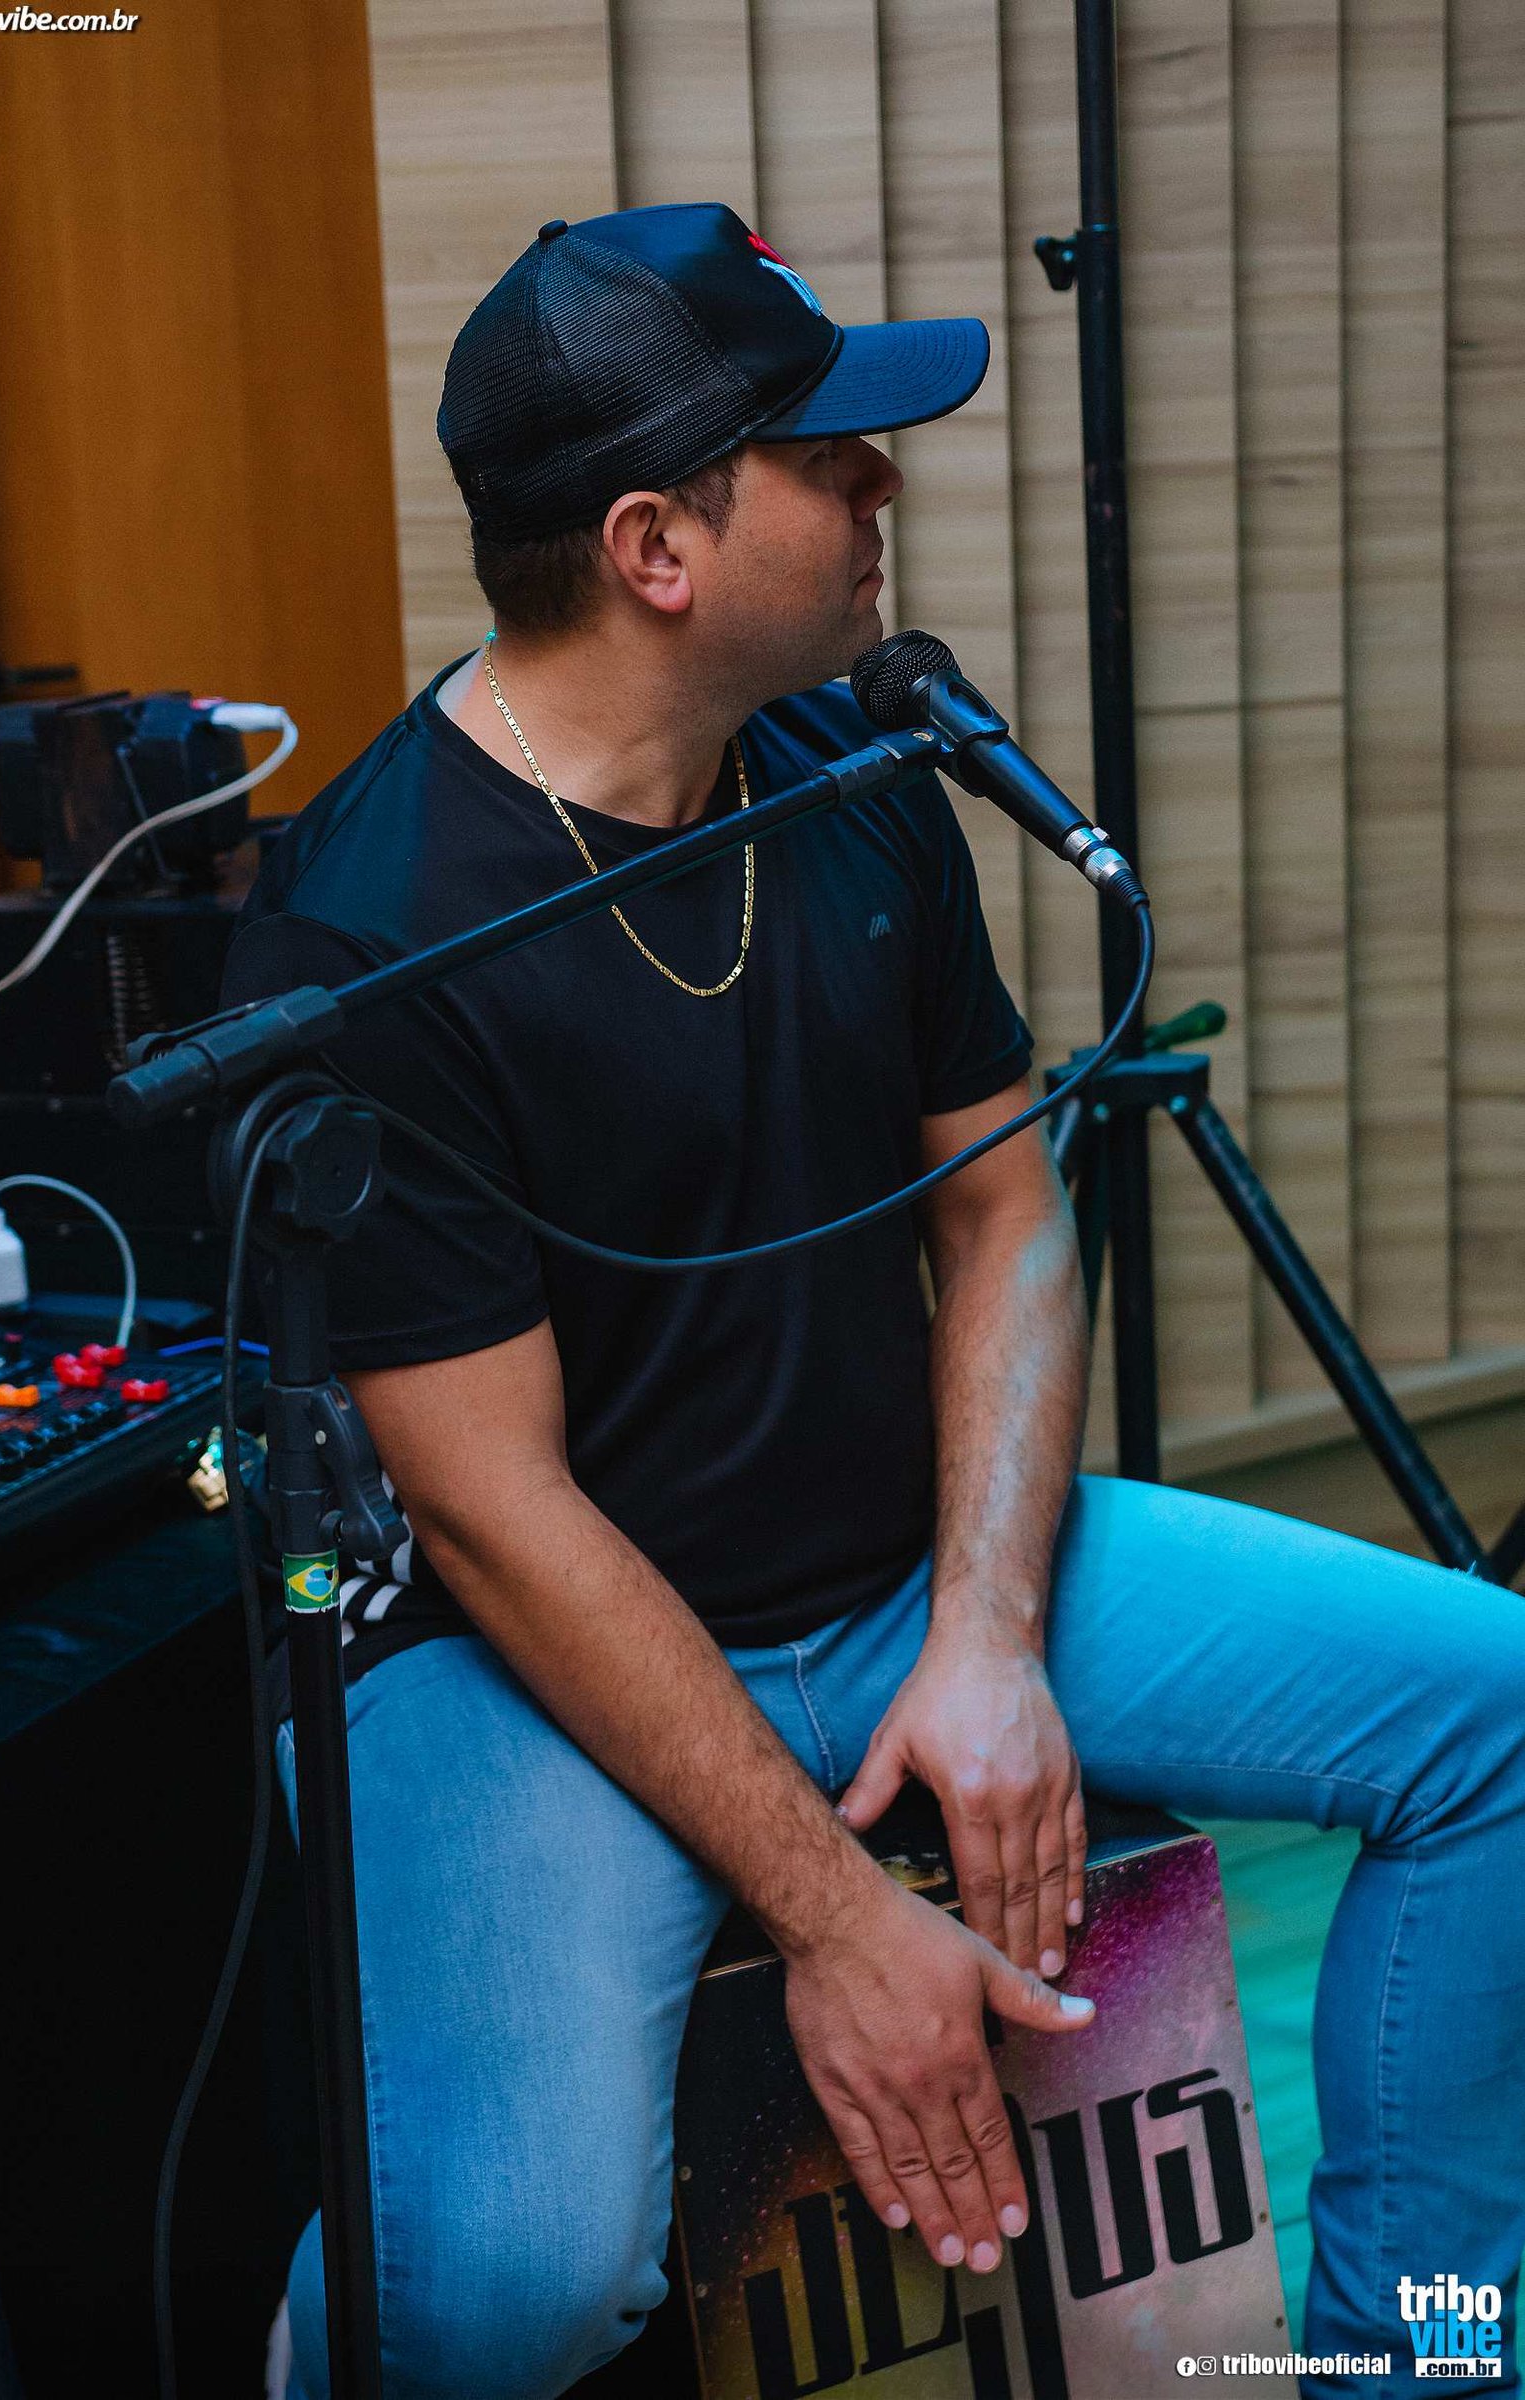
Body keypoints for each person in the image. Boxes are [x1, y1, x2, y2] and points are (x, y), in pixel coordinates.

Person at [225, 204, 1525, 2400]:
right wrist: (836, 1923)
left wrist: (988, 1638)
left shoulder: (855, 779)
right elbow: (492, 1510)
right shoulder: (366, 934)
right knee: (509, 2284)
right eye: (826, 456)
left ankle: (1411, 2366)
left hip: (900, 1575)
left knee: (1493, 1718)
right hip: (529, 1662)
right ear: (654, 546)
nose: (881, 486)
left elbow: (1006, 1218)